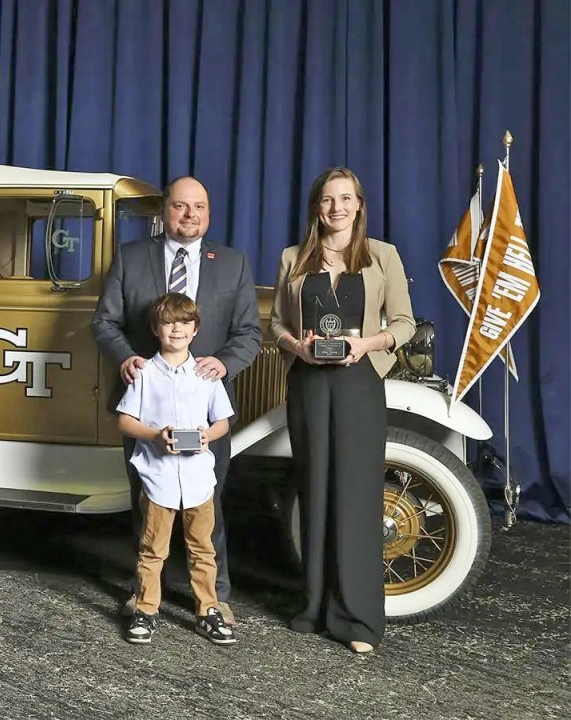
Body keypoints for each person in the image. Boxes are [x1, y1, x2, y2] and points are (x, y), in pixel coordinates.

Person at [91, 176, 261, 625]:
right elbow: (104, 323)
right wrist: (126, 359)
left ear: (209, 212)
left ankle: (213, 597)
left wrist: (223, 364)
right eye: (180, 207)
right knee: (146, 502)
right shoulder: (130, 258)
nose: (190, 215)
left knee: (211, 500)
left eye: (199, 207)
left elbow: (248, 333)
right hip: (145, 408)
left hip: (204, 408)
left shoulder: (232, 263)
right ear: (164, 211)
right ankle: (144, 594)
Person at [268, 166, 416, 653]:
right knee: (313, 491)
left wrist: (366, 344)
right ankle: (313, 606)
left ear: (359, 204)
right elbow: (275, 325)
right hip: (309, 381)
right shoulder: (294, 257)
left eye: (346, 198)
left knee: (355, 495)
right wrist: (299, 345)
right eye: (328, 199)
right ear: (317, 205)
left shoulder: (382, 256)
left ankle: (357, 620)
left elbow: (404, 324)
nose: (337, 207)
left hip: (358, 382)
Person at [118, 292, 236, 646]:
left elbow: (223, 423)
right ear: (156, 329)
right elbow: (125, 422)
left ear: (195, 329)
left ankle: (207, 610)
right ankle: (147, 609)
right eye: (169, 323)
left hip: (199, 478)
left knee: (202, 548)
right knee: (153, 549)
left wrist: (206, 436)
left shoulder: (206, 375)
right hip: (160, 478)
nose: (177, 329)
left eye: (185, 323)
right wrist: (155, 435)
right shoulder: (144, 373)